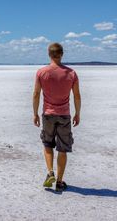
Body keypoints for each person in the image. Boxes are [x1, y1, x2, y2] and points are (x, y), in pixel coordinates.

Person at [32, 42, 81, 192]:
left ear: (49, 54)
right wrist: (78, 113)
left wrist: (35, 113)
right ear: (61, 54)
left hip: (48, 114)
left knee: (47, 144)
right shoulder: (71, 73)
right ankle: (59, 181)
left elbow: (36, 94)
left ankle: (50, 173)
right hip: (64, 115)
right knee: (63, 149)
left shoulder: (42, 72)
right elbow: (77, 96)